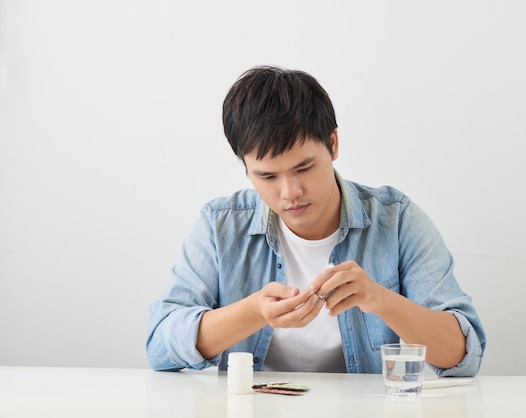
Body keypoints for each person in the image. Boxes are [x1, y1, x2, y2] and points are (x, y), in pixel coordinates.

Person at [146, 66, 486, 376]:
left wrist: (379, 299)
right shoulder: (220, 226)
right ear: (247, 169)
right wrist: (253, 312)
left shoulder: (396, 220)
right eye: (267, 177)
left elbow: (463, 354)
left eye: (303, 168)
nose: (290, 192)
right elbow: (160, 347)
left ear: (333, 144)